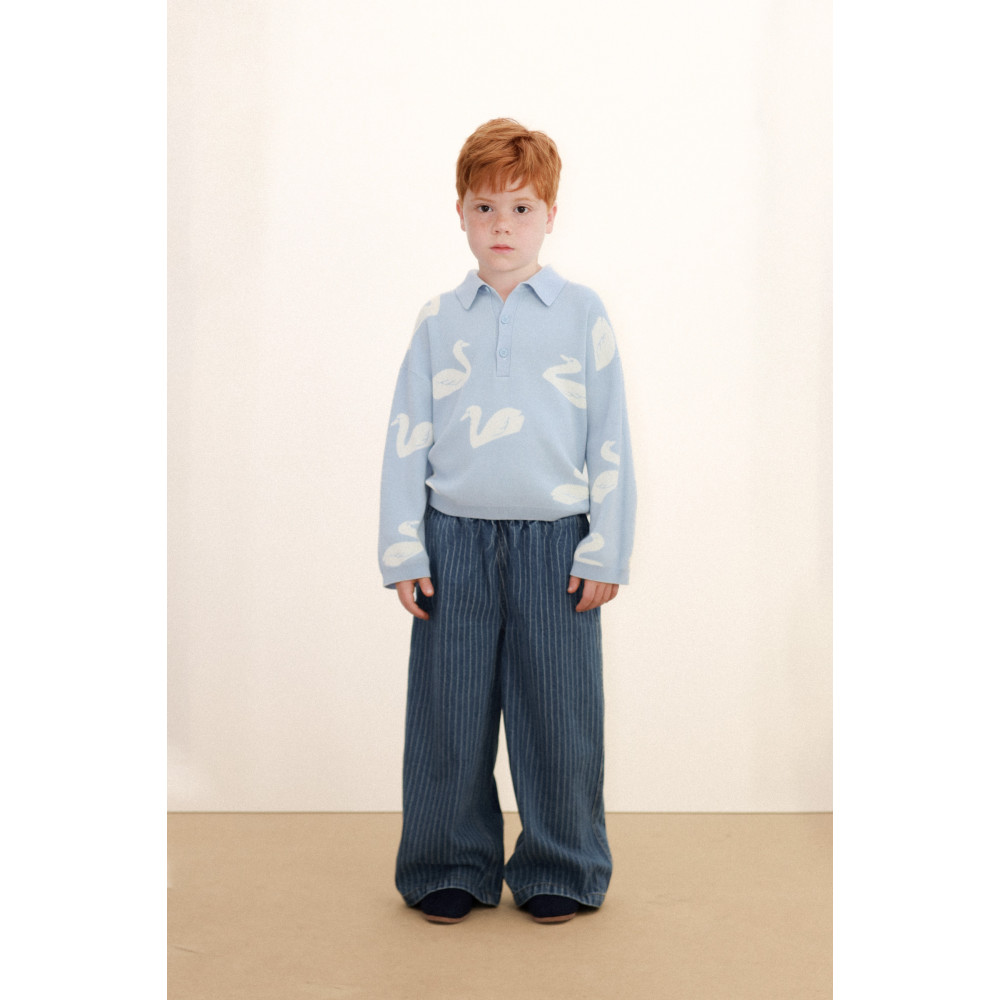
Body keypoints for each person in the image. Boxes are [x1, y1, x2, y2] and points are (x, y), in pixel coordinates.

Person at [378, 118, 636, 925]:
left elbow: (609, 438)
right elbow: (406, 436)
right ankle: (448, 860)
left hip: (557, 544)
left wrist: (606, 548)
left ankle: (561, 862)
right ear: (459, 212)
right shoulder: (437, 320)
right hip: (453, 540)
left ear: (550, 215)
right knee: (448, 711)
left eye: (521, 208)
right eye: (485, 207)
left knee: (559, 712)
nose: (502, 225)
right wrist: (403, 548)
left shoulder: (582, 313)